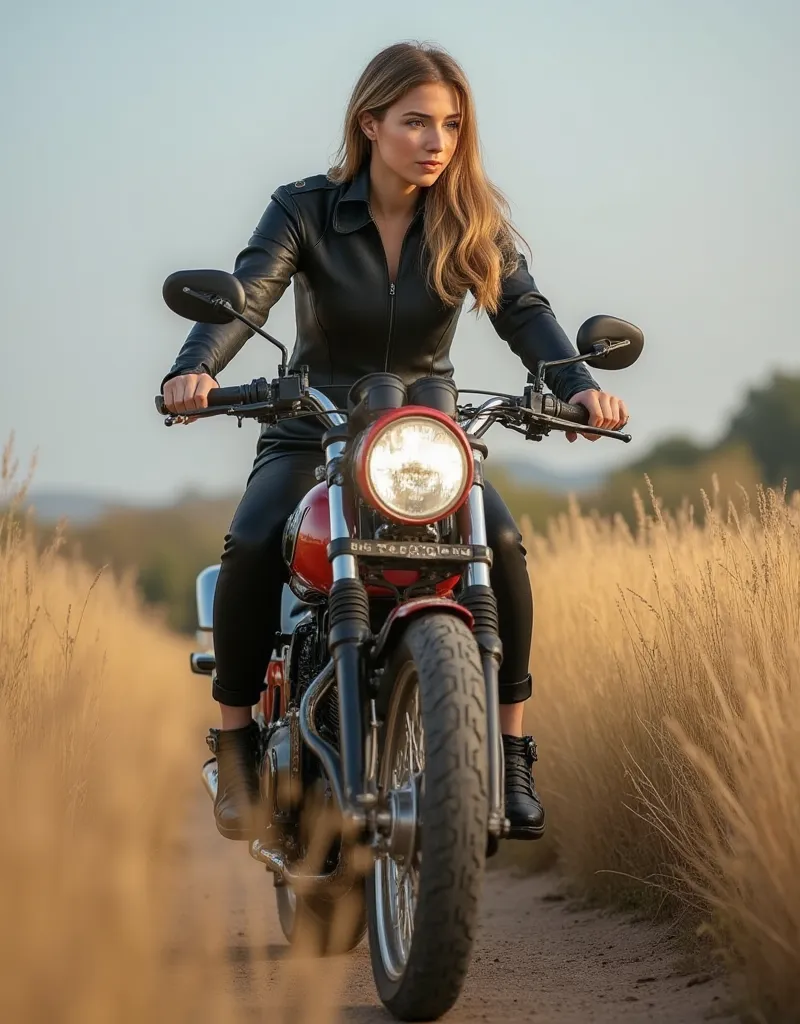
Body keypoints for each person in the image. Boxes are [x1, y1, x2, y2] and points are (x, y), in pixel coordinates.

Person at [161, 41, 628, 843]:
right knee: (250, 539)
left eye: (450, 124)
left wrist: (579, 387)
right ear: (370, 123)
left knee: (504, 544)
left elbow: (525, 313)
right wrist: (194, 368)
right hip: (311, 425)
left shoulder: (470, 219)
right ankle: (235, 739)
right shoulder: (304, 208)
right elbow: (252, 293)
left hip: (424, 437)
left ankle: (511, 749)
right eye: (415, 122)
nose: (436, 140)